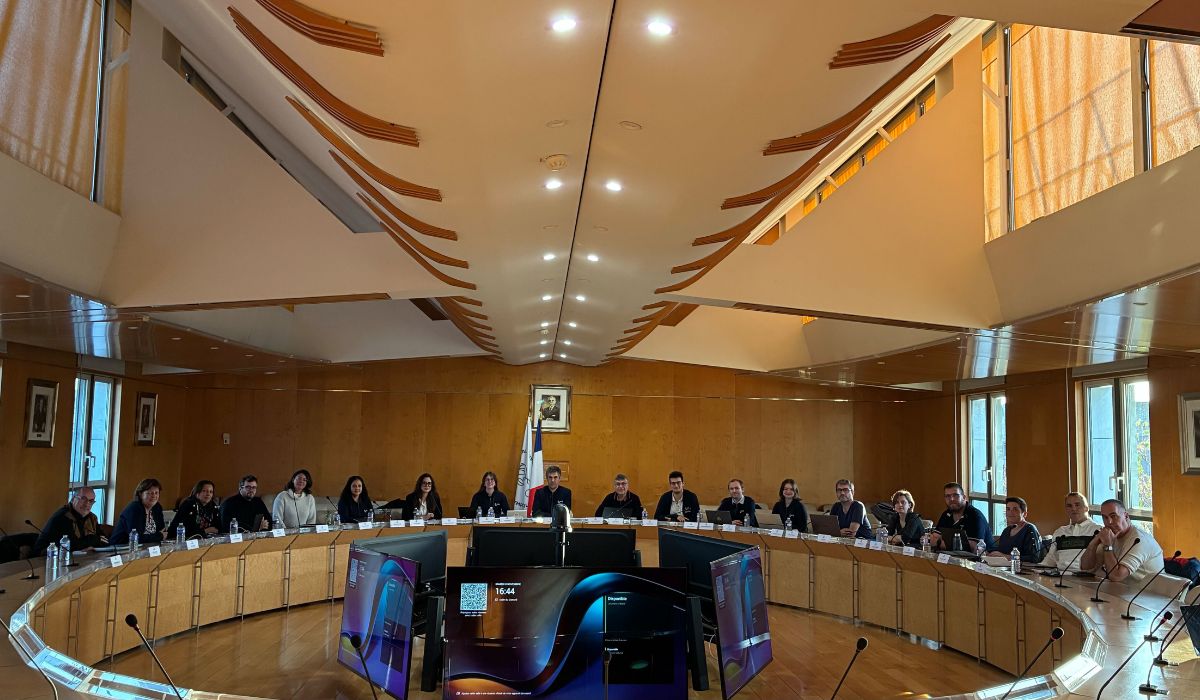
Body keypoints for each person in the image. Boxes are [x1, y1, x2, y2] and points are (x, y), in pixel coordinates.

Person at [1079, 499, 1164, 583]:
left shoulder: (1139, 540)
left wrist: (1108, 546)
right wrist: (1093, 544)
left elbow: (1116, 576)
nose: (1109, 522)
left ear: (1126, 516)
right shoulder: (1111, 535)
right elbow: (1086, 567)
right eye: (1105, 517)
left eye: (1113, 516)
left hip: (1147, 591)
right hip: (1122, 589)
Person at [1039, 492, 1102, 572]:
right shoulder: (1060, 532)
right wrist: (1038, 570)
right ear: (1066, 510)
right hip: (1059, 575)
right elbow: (1051, 558)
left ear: (1086, 508)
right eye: (1069, 506)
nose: (1073, 509)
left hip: (1085, 576)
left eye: (1077, 505)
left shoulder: (1098, 530)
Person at [34, 487, 105, 554]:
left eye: (91, 501)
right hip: (46, 556)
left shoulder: (92, 517)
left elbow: (104, 540)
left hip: (78, 558)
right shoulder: (63, 517)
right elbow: (71, 545)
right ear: (73, 499)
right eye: (83, 499)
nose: (86, 504)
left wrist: (94, 541)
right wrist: (92, 540)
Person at [931, 482, 994, 551]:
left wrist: (940, 543)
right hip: (952, 555)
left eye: (955, 495)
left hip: (981, 557)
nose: (951, 499)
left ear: (964, 497)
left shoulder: (975, 516)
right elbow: (934, 538)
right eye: (947, 496)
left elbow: (975, 547)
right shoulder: (946, 514)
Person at [110, 478, 167, 546]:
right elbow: (136, 538)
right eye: (149, 493)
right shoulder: (134, 508)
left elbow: (163, 531)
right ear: (140, 494)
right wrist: (159, 536)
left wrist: (158, 535)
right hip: (121, 547)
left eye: (156, 493)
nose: (154, 496)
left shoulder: (157, 507)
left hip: (146, 547)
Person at [991, 496, 1042, 561]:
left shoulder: (1030, 529)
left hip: (1022, 567)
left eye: (1015, 509)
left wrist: (1006, 557)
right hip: (1002, 566)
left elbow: (1034, 558)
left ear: (1024, 514)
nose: (1010, 512)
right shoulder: (1006, 530)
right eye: (1008, 509)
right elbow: (1001, 552)